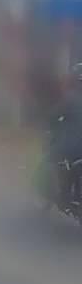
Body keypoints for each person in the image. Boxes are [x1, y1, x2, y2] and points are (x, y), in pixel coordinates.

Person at [43, 62, 82, 207]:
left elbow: (53, 117)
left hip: (71, 146)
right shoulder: (71, 98)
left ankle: (64, 195)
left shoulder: (70, 98)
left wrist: (50, 128)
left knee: (56, 158)